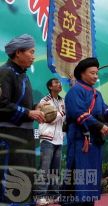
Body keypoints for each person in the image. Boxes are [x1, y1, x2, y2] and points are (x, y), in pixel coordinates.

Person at [63, 57, 108, 205]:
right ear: (82, 74)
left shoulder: (97, 93)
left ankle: (88, 202)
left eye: (97, 73)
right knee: (79, 172)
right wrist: (99, 126)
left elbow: (103, 112)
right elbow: (78, 113)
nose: (96, 76)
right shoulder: (75, 91)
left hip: (95, 141)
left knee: (92, 175)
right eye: (92, 73)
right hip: (80, 139)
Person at [0, 34, 45, 204]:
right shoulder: (5, 73)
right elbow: (2, 104)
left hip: (24, 136)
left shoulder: (23, 75)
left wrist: (34, 109)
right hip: (9, 136)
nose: (34, 56)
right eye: (31, 52)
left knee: (26, 175)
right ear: (18, 52)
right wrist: (27, 113)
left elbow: (18, 103)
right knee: (12, 177)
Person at [35, 78, 65, 205]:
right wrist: (61, 113)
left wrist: (59, 113)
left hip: (59, 139)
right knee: (44, 169)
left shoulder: (62, 100)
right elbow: (49, 118)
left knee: (55, 170)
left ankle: (54, 195)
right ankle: (39, 196)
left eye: (60, 82)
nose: (59, 84)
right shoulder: (44, 101)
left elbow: (60, 117)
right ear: (50, 87)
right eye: (56, 83)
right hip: (47, 138)